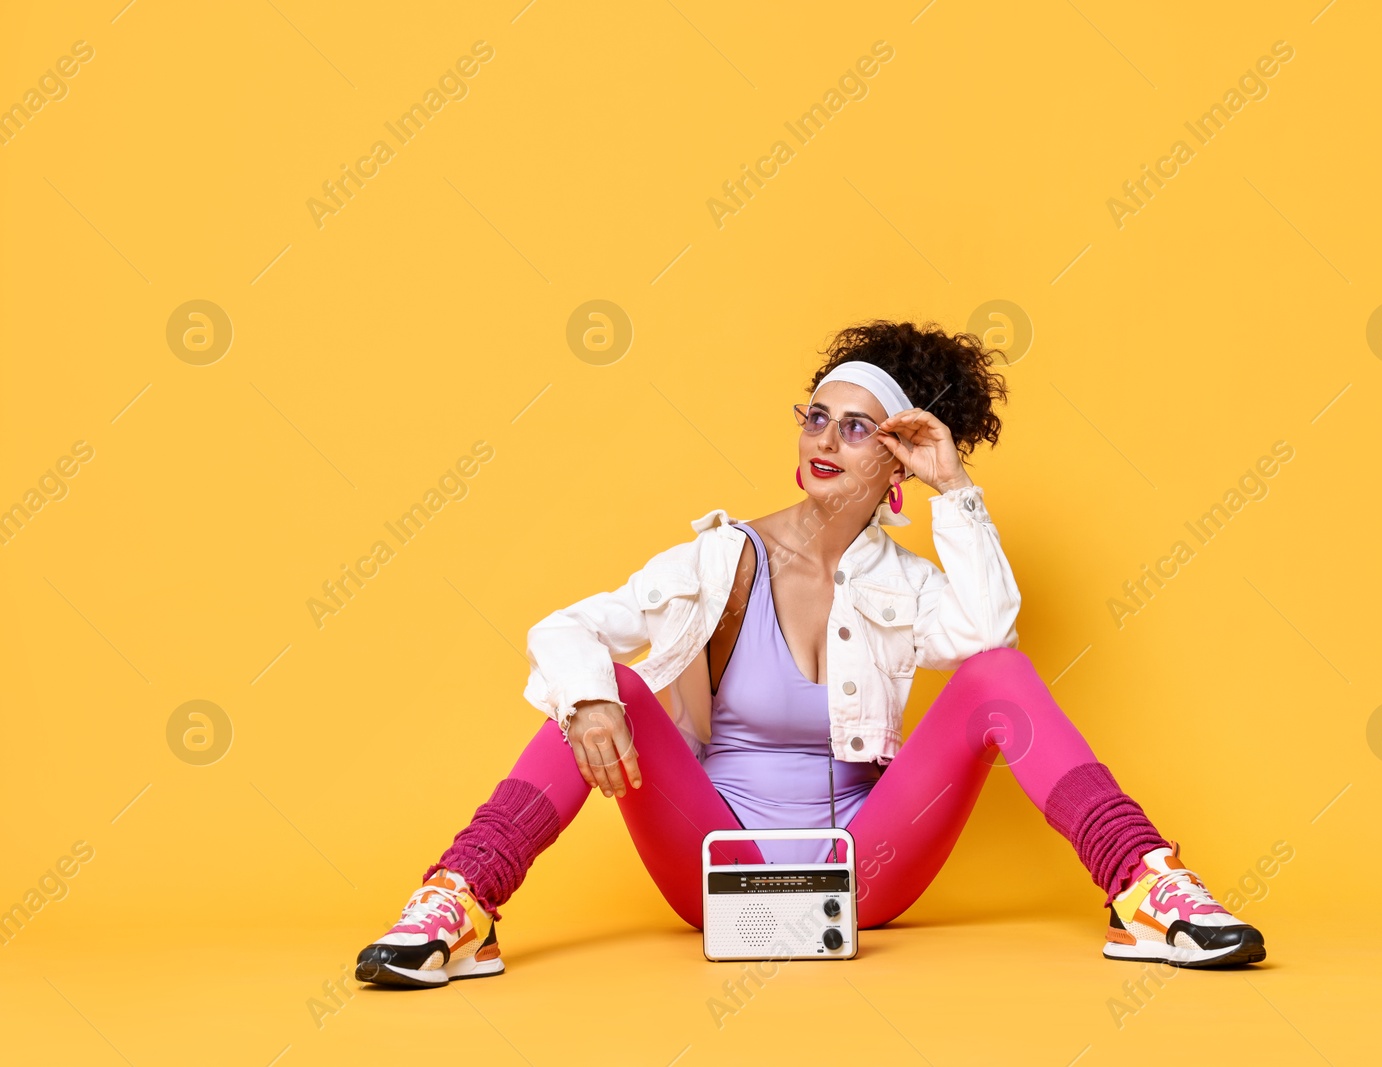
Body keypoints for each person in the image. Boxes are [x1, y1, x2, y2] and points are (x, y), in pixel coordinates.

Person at [354, 320, 1265, 987]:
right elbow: (563, 627)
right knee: (597, 683)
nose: (827, 439)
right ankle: (458, 904)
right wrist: (590, 697)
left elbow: (990, 637)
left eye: (859, 427)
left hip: (862, 865)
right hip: (710, 862)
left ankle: (1149, 892)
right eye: (816, 418)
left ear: (899, 460)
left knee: (996, 675)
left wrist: (955, 491)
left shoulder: (901, 582)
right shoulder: (720, 560)